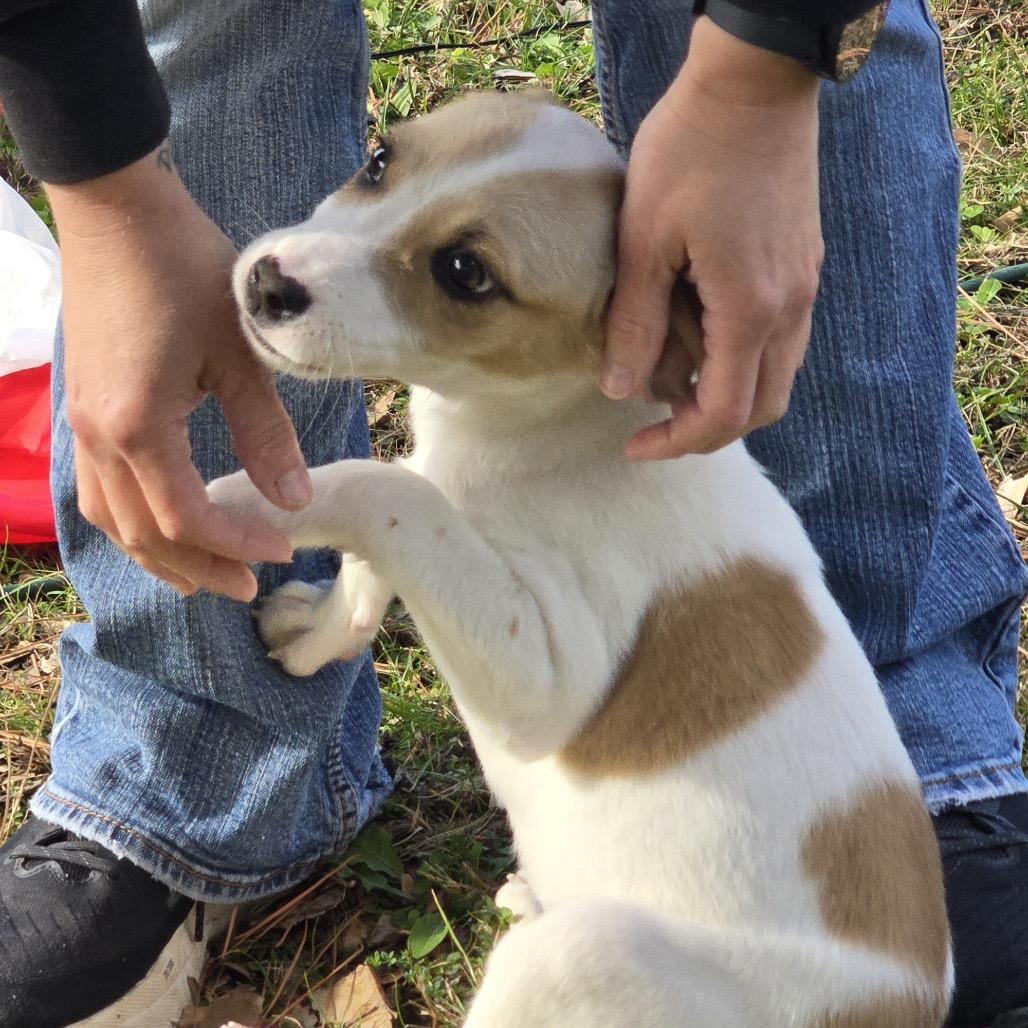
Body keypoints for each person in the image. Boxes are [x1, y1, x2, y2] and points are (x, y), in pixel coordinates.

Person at [0, 0, 1024, 1025]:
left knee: (568, 964)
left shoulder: (628, 502)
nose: (304, 259)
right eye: (377, 166)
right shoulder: (541, 426)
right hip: (758, 937)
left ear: (628, 347)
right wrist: (112, 198)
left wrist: (758, 72)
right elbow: (436, 515)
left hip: (768, 986)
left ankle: (935, 748)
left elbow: (530, 699)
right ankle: (181, 763)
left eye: (460, 274)